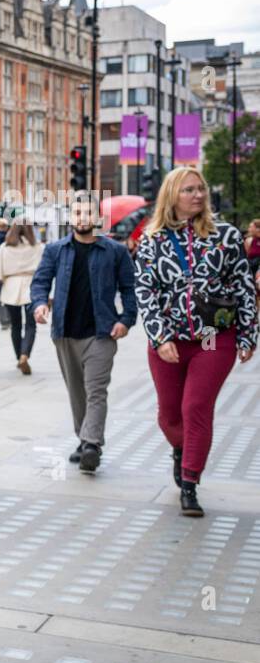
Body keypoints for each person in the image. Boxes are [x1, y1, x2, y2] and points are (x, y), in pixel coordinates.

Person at [135, 167, 257, 517]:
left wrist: (248, 334)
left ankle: (190, 482)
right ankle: (181, 448)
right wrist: (159, 338)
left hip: (213, 339)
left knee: (195, 408)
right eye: (189, 190)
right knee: (169, 414)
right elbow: (145, 292)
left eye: (201, 188)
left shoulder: (227, 236)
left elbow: (243, 287)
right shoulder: (151, 239)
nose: (198, 195)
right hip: (169, 340)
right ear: (172, 196)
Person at [30, 199, 136, 475]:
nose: (82, 217)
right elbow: (40, 281)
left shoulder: (115, 251)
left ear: (97, 217)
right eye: (77, 212)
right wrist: (40, 303)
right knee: (77, 392)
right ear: (71, 217)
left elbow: (129, 290)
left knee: (96, 390)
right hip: (64, 333)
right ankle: (85, 439)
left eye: (88, 212)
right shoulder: (56, 250)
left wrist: (126, 320)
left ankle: (91, 444)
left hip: (101, 333)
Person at [0, 220, 43, 374]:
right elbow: (43, 269)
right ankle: (24, 355)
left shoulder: (4, 248)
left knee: (15, 325)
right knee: (31, 325)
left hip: (11, 287)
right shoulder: (38, 247)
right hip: (31, 286)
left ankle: (18, 357)